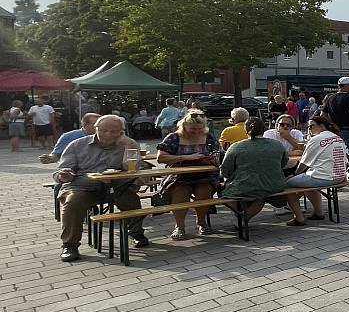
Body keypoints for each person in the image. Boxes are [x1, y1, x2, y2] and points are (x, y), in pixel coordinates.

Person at [53, 115, 148, 262]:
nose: (108, 135)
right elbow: (63, 170)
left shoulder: (127, 143)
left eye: (114, 131)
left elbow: (132, 169)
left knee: (131, 200)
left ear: (121, 132)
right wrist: (65, 175)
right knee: (73, 202)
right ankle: (70, 245)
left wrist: (129, 144)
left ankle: (136, 233)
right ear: (95, 129)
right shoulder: (77, 145)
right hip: (83, 186)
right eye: (104, 130)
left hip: (116, 186)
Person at [156, 111, 221, 240]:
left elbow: (217, 156)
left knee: (204, 193)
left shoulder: (208, 137)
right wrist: (186, 157)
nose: (196, 132)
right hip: (179, 175)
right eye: (193, 129)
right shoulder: (174, 137)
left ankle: (201, 222)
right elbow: (160, 158)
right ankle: (179, 226)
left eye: (199, 129)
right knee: (179, 193)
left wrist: (210, 159)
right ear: (184, 126)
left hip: (204, 174)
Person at [220, 117, 287, 221]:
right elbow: (283, 163)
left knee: (223, 192)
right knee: (261, 195)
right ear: (264, 129)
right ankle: (244, 217)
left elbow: (226, 171)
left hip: (246, 187)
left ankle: (241, 216)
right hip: (274, 185)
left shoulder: (236, 147)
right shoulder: (277, 145)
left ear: (246, 130)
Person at [285, 113, 347, 224]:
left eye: (312, 126)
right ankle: (318, 213)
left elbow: (304, 163)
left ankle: (299, 218)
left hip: (325, 177)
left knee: (287, 185)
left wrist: (295, 174)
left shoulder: (316, 139)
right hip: (340, 176)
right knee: (307, 183)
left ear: (322, 126)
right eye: (308, 127)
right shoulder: (337, 138)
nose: (309, 129)